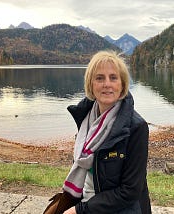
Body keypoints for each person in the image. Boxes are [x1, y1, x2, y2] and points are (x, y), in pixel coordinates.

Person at [63, 50, 151, 214]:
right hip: (88, 200)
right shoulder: (86, 120)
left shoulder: (137, 128)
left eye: (113, 77)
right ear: (90, 84)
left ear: (123, 84)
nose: (107, 84)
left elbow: (130, 191)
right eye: (99, 78)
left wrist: (81, 210)